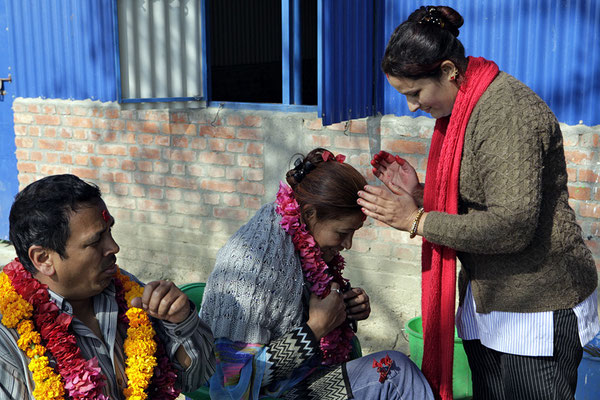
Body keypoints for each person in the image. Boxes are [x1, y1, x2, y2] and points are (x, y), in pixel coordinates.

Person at [357, 5, 599, 400]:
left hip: (536, 302)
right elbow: (479, 200)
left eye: (415, 93)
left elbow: (512, 224)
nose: (412, 107)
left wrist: (418, 219)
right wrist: (421, 194)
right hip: (487, 300)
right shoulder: (463, 108)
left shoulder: (508, 113)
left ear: (450, 70)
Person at [200, 148, 433, 399]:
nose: (348, 244)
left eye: (353, 232)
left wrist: (345, 308)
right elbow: (231, 381)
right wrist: (314, 330)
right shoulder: (254, 267)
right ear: (310, 213)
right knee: (395, 374)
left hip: (299, 379)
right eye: (342, 232)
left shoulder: (295, 231)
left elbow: (300, 306)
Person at [1, 174, 215, 399]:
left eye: (109, 231)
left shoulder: (127, 293)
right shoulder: (8, 338)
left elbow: (196, 380)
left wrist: (181, 322)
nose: (114, 247)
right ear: (43, 258)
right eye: (95, 241)